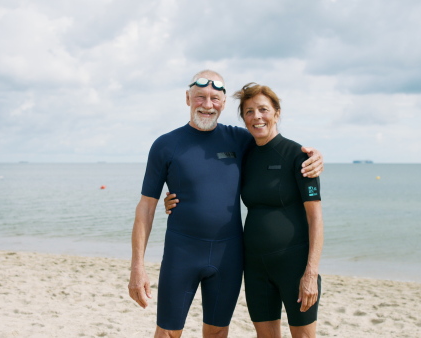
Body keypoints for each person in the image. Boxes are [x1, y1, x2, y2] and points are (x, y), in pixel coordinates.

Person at [128, 70, 323, 338]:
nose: (207, 105)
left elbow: (273, 146)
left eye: (215, 98)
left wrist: (314, 156)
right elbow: (145, 207)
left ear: (222, 103)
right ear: (188, 98)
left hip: (228, 256)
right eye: (200, 97)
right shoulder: (165, 145)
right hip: (182, 252)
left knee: (219, 332)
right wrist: (137, 266)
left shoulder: (239, 140)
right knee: (167, 333)